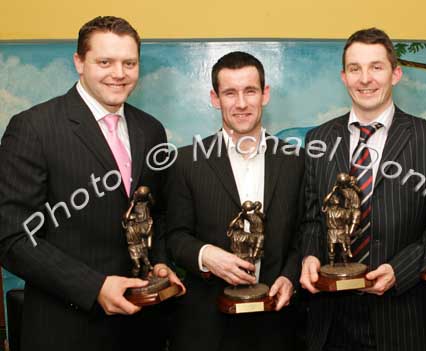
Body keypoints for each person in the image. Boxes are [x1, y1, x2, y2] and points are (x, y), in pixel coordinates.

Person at [0, 16, 184, 351]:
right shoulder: (33, 128)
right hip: (67, 328)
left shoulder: (151, 129)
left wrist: (160, 261)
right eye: (105, 62)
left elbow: (156, 213)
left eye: (129, 63)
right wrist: (94, 286)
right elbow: (12, 238)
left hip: (143, 328)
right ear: (79, 63)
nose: (119, 73)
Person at [299, 28, 426, 351]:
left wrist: (399, 271)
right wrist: (311, 256)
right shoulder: (319, 139)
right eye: (355, 68)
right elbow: (313, 218)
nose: (365, 78)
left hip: (400, 317)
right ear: (344, 77)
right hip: (330, 320)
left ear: (395, 73)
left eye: (376, 67)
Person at [165, 51, 304, 351]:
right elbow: (174, 236)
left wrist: (290, 278)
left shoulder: (295, 161)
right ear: (215, 98)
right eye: (230, 93)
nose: (241, 104)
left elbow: (303, 232)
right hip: (207, 328)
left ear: (264, 94)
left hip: (277, 326)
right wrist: (207, 255)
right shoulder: (186, 162)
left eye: (250, 91)